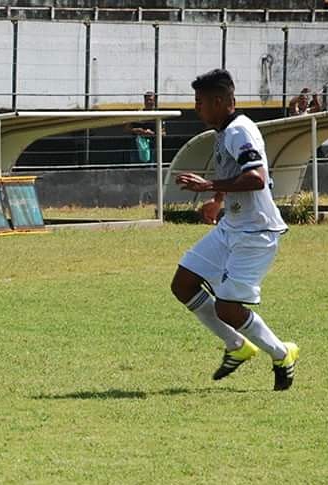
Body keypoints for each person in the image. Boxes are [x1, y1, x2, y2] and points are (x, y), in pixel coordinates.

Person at [170, 69, 299, 391]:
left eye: (200, 102)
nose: (196, 108)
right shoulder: (224, 131)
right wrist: (217, 200)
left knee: (228, 307)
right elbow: (235, 171)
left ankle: (282, 353)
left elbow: (256, 178)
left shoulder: (240, 131)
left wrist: (208, 185)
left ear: (219, 101)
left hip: (256, 233)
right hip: (232, 226)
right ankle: (237, 345)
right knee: (184, 283)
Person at [123, 91, 162, 163]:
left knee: (151, 167)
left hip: (151, 146)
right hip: (137, 146)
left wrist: (152, 133)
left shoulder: (159, 115)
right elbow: (126, 129)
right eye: (147, 100)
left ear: (155, 101)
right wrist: (136, 130)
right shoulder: (138, 113)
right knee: (136, 166)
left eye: (151, 100)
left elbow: (163, 133)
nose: (148, 102)